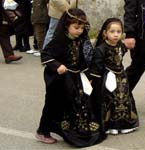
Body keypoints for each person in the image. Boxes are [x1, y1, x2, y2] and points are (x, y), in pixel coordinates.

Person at [35, 8, 103, 147]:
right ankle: (43, 131)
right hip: (58, 78)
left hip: (74, 77)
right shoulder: (59, 40)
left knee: (77, 102)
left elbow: (83, 61)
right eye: (76, 27)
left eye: (82, 27)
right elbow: (46, 55)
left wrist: (87, 76)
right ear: (67, 25)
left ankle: (70, 129)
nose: (79, 30)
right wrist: (57, 65)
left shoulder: (80, 40)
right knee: (53, 104)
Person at [90, 18, 139, 135]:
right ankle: (110, 125)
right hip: (107, 79)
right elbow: (96, 68)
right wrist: (93, 81)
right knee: (109, 100)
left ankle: (124, 124)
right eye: (112, 31)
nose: (116, 35)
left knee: (123, 99)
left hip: (121, 78)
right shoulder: (100, 49)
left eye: (119, 31)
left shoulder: (121, 46)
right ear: (105, 33)